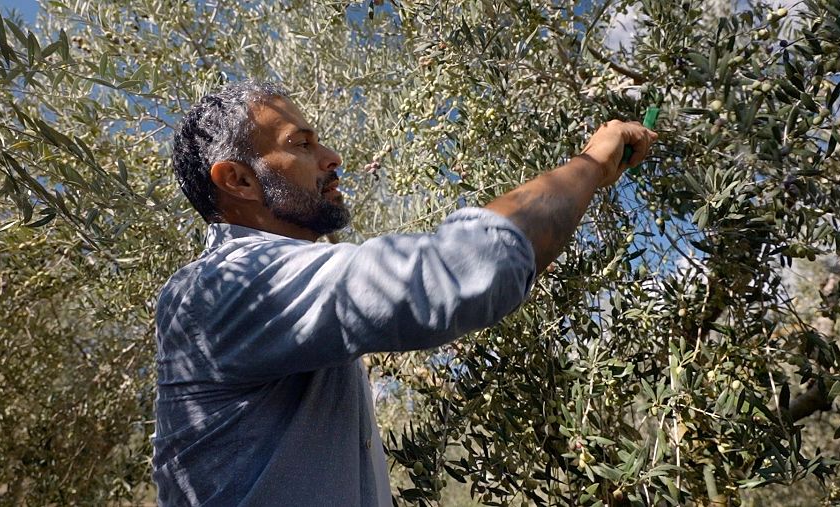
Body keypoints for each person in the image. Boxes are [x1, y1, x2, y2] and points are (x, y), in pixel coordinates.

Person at [153, 80, 656, 506]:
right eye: (302, 144)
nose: (332, 158)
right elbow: (466, 268)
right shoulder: (224, 288)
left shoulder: (272, 292)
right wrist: (593, 163)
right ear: (238, 179)